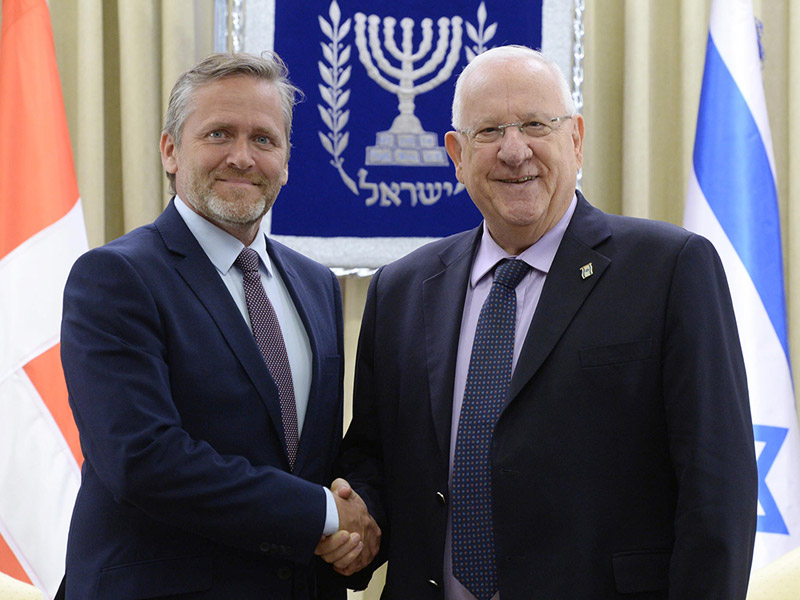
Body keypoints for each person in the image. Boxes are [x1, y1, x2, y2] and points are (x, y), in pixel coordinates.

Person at [332, 45, 758, 598]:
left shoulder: (669, 270)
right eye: (489, 132)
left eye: (536, 124)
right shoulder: (402, 289)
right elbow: (376, 456)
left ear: (575, 139)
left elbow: (716, 486)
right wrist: (356, 518)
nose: (515, 151)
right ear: (457, 155)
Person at [60, 52, 378, 599]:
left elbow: (319, 456)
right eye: (219, 134)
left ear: (286, 159)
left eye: (264, 139)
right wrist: (325, 513)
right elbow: (143, 459)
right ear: (170, 150)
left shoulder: (316, 284)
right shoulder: (115, 277)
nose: (242, 157)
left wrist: (360, 527)